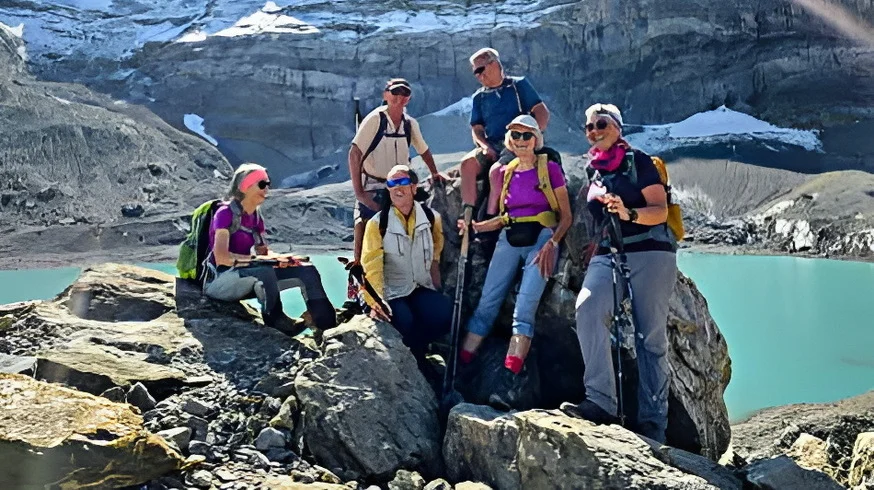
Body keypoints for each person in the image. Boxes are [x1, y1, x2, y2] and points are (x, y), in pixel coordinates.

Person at [559, 104, 678, 444]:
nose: (594, 131)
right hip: (610, 254)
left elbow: (659, 210)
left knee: (650, 339)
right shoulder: (593, 170)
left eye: (601, 124)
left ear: (617, 128)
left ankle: (653, 423)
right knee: (588, 308)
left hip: (650, 253)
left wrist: (628, 213)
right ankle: (600, 401)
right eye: (589, 127)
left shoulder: (639, 162)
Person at [458, 115, 572, 375]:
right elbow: (503, 218)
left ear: (536, 140)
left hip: (542, 238)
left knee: (524, 307)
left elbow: (566, 217)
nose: (521, 141)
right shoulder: (505, 172)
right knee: (487, 301)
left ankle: (511, 373)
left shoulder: (549, 168)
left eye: (526, 135)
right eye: (516, 135)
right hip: (509, 237)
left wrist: (552, 244)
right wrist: (475, 228)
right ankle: (462, 363)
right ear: (509, 140)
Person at [203, 163, 337, 334]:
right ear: (245, 186)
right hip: (220, 280)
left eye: (268, 184)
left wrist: (284, 259)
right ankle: (278, 323)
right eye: (261, 184)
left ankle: (325, 325)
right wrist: (265, 261)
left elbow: (264, 254)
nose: (266, 189)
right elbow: (222, 258)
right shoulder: (224, 213)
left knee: (306, 271)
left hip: (247, 276)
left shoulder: (255, 216)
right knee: (264, 271)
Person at [360, 164, 451, 366]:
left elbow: (435, 254)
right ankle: (413, 360)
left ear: (413, 186)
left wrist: (435, 287)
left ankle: (420, 351)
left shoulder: (431, 218)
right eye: (391, 183)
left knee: (444, 312)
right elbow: (371, 265)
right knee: (403, 320)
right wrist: (376, 301)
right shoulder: (378, 224)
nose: (396, 188)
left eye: (402, 182)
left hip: (419, 287)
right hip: (391, 291)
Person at [349, 78, 445, 263]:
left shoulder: (409, 124)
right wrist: (360, 193)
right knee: (365, 226)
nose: (400, 98)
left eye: (405, 94)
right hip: (373, 185)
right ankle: (360, 277)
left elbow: (423, 149)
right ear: (386, 95)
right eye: (395, 93)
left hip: (400, 185)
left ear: (408, 99)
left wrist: (434, 173)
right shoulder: (375, 119)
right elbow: (354, 153)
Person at [459, 48, 550, 214]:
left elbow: (541, 111)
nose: (478, 76)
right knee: (467, 164)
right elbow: (477, 128)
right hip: (492, 144)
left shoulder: (518, 85)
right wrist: (485, 146)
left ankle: (490, 217)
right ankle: (468, 212)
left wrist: (532, 137)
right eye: (475, 73)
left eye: (481, 70)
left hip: (517, 142)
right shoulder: (479, 97)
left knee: (497, 172)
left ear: (494, 64)